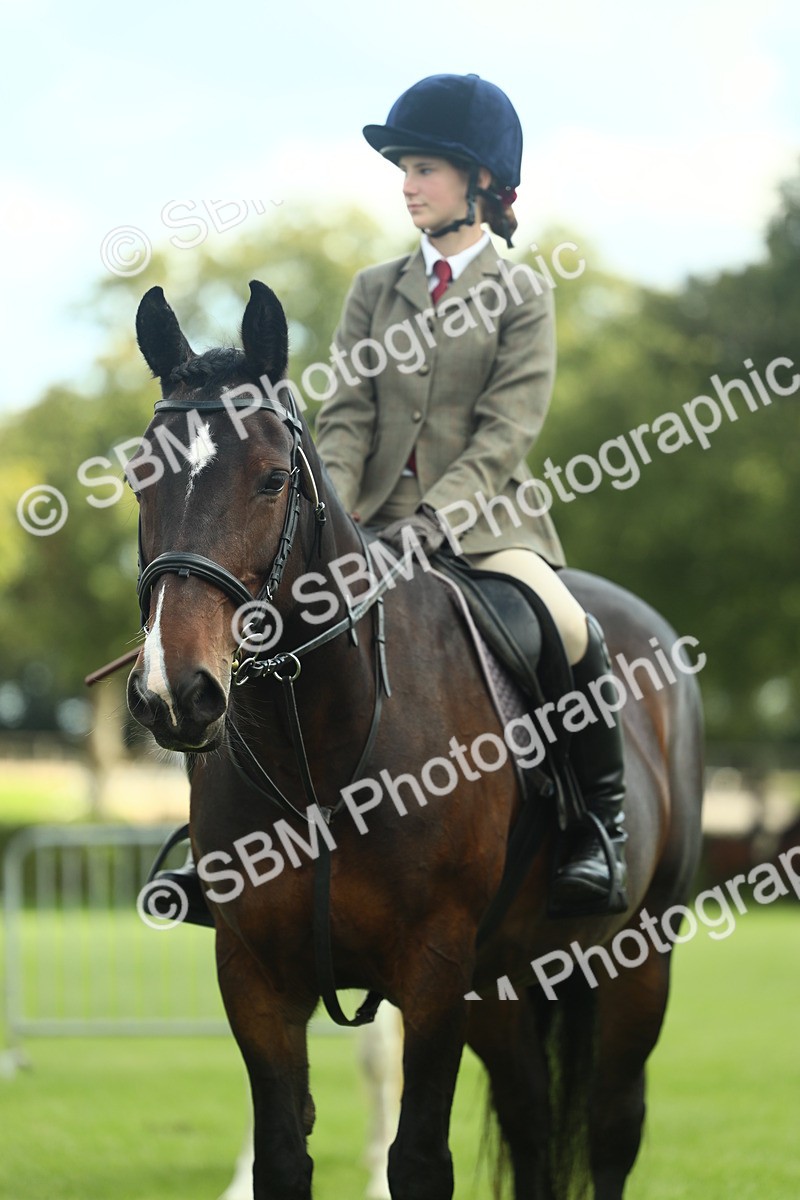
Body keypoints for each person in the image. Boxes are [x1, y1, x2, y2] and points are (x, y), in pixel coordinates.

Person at [313, 73, 627, 914]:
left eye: (425, 169)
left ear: (479, 183)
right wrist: (329, 519)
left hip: (487, 524)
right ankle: (219, 836)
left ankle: (600, 822)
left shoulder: (522, 293)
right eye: (404, 169)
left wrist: (433, 523)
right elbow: (343, 418)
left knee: (569, 625)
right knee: (269, 618)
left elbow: (506, 430)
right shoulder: (372, 291)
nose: (407, 185)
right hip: (366, 522)